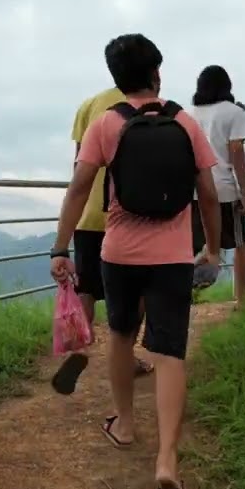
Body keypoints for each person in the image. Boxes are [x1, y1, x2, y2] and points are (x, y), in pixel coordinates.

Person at [49, 33, 222, 489]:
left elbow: (79, 188)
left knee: (122, 337)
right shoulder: (184, 121)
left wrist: (60, 247)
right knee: (170, 354)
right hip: (172, 258)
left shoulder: (106, 124)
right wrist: (212, 250)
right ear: (157, 73)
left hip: (118, 253)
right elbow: (207, 192)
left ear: (116, 79)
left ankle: (124, 426)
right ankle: (167, 461)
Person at [66, 88, 154, 378]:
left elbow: (80, 164)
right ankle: (125, 357)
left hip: (89, 213)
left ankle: (78, 352)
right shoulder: (150, 106)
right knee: (136, 291)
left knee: (86, 289)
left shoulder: (89, 105)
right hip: (130, 215)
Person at [189, 65, 245, 308]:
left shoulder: (190, 114)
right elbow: (237, 153)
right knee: (240, 243)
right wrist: (244, 193)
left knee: (192, 246)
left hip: (194, 190)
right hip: (223, 189)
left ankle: (186, 298)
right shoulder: (234, 112)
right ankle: (240, 298)